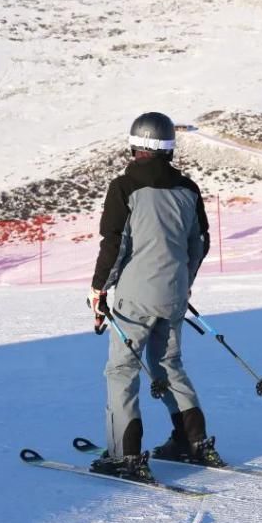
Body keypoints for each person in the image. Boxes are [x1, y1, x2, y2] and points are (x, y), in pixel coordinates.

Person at [86, 111, 225, 482]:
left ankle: (124, 454)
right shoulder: (189, 188)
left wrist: (99, 290)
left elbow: (114, 244)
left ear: (137, 146)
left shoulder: (124, 187)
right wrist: (184, 280)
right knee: (169, 364)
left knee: (122, 370)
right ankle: (193, 442)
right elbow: (200, 242)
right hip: (175, 294)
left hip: (134, 298)